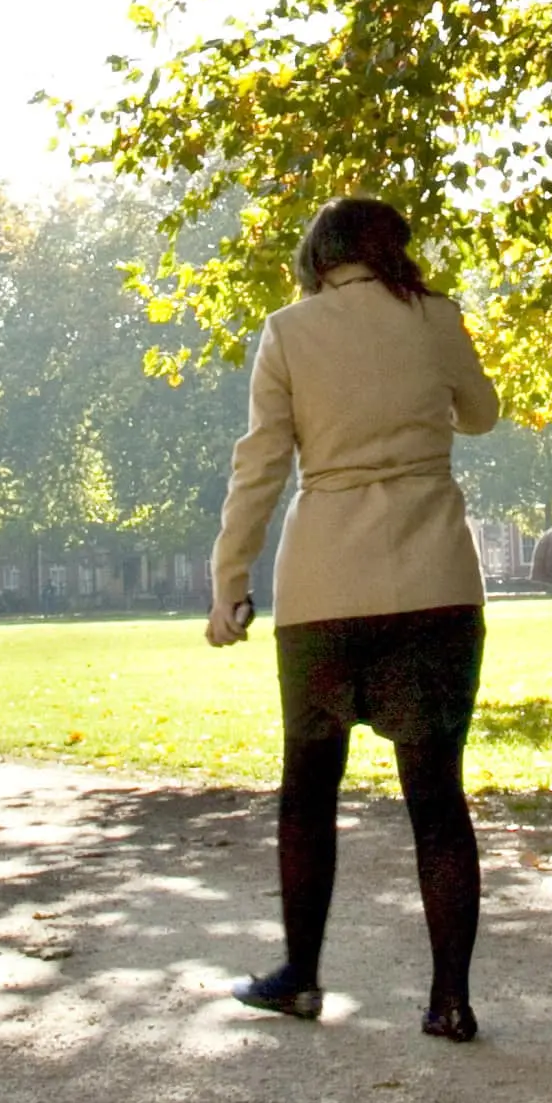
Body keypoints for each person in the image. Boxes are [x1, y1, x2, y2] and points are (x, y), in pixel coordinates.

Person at [207, 196, 503, 1042]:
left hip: (325, 584)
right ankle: (450, 1000)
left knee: (308, 790)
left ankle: (300, 977)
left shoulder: (288, 332)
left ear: (318, 256)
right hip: (434, 578)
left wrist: (230, 578)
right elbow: (480, 414)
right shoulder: (435, 317)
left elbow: (260, 464)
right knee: (436, 798)